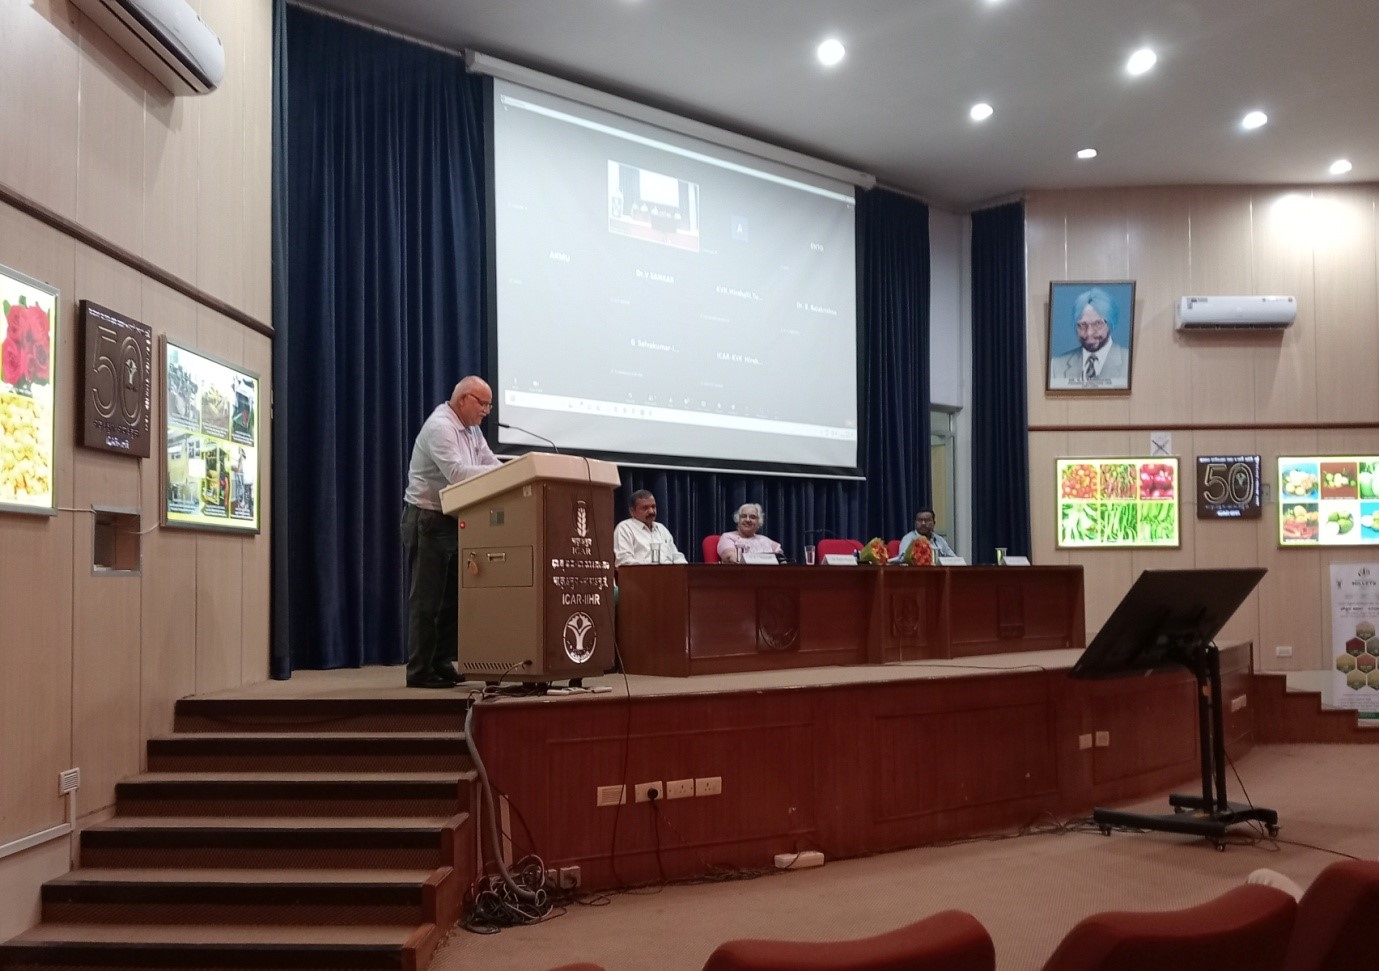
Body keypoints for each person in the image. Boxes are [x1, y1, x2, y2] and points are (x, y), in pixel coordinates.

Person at [401, 376, 501, 688]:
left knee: (453, 599)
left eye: (489, 404)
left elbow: (487, 461)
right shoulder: (440, 427)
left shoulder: (472, 429)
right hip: (428, 518)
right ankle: (419, 670)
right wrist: (506, 472)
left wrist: (512, 472)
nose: (487, 410)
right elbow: (457, 474)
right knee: (427, 600)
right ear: (463, 400)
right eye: (483, 403)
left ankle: (441, 661)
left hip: (456, 518)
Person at [1049, 286, 1130, 389]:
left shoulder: (1129, 363)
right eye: (1082, 325)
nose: (1089, 333)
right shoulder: (1056, 366)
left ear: (1111, 323)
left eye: (1097, 324)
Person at [613, 490, 688, 566]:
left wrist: (685, 568)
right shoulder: (625, 528)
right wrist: (651, 570)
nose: (651, 511)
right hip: (641, 576)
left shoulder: (662, 529)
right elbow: (624, 561)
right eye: (645, 508)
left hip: (669, 575)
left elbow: (676, 556)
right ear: (632, 511)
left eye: (653, 506)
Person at [717, 502, 782, 563]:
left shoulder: (766, 540)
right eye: (744, 516)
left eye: (752, 517)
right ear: (738, 520)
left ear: (758, 523)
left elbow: (781, 559)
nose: (748, 520)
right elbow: (731, 557)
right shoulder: (728, 537)